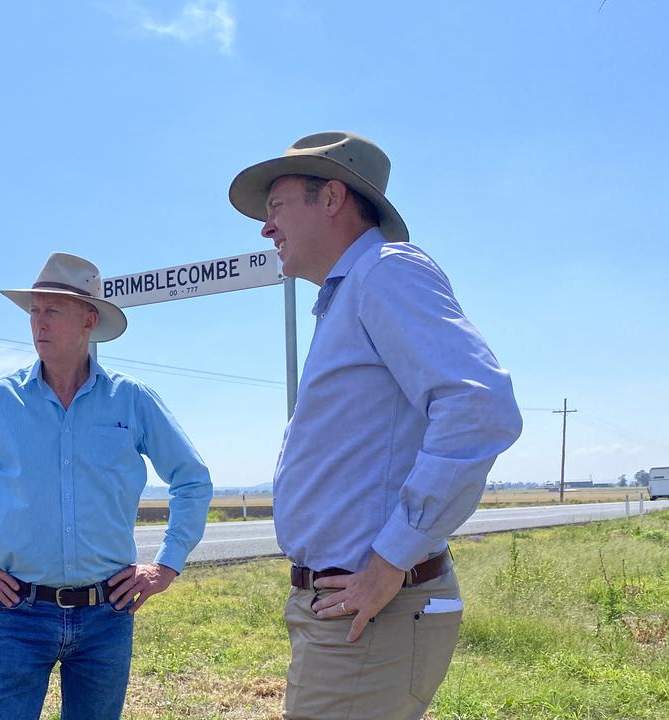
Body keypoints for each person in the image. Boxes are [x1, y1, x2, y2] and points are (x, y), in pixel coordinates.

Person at [228, 132, 523, 720]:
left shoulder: (385, 272)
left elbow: (480, 407)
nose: (266, 229)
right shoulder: (350, 293)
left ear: (332, 197)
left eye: (277, 207)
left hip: (372, 609)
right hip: (346, 610)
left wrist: (390, 562)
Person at [0, 252, 213, 720]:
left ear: (88, 320)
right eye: (34, 311)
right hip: (18, 611)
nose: (38, 322)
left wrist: (166, 566)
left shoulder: (131, 399)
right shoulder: (0, 399)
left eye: (52, 310)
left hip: (106, 613)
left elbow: (192, 478)